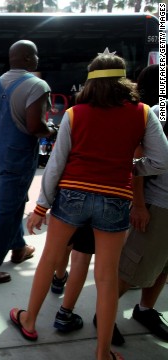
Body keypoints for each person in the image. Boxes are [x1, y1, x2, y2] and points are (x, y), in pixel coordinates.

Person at [11, 52, 168, 360]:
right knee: (107, 278)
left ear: (90, 82)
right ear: (123, 80)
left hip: (73, 195)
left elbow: (56, 165)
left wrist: (42, 206)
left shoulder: (75, 113)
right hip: (116, 197)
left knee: (49, 259)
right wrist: (130, 167)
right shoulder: (143, 113)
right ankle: (102, 352)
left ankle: (29, 320)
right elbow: (161, 160)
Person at [0, 40, 54, 283]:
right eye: (35, 55)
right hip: (18, 155)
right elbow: (35, 126)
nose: (38, 59)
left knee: (11, 203)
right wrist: (52, 131)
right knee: (7, 209)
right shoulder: (37, 86)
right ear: (28, 58)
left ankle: (18, 247)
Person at [116, 64, 168, 343]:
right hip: (159, 205)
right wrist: (139, 204)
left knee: (162, 267)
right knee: (132, 269)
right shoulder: (157, 115)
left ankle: (146, 309)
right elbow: (136, 160)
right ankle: (105, 313)